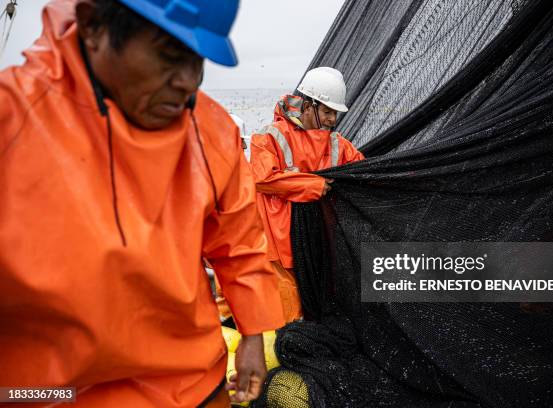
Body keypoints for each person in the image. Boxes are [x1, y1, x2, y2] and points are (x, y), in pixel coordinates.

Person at [0, 0, 284, 406]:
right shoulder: (11, 117)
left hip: (191, 386)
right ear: (94, 25)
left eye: (197, 61)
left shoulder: (212, 130)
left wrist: (253, 336)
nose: (188, 82)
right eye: (169, 55)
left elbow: (240, 245)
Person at [250, 67, 365, 323]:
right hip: (280, 248)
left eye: (335, 113)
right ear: (307, 105)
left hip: (318, 244)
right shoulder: (269, 137)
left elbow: (364, 170)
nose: (332, 119)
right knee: (288, 319)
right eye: (327, 111)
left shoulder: (338, 144)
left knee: (317, 314)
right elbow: (261, 178)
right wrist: (314, 186)